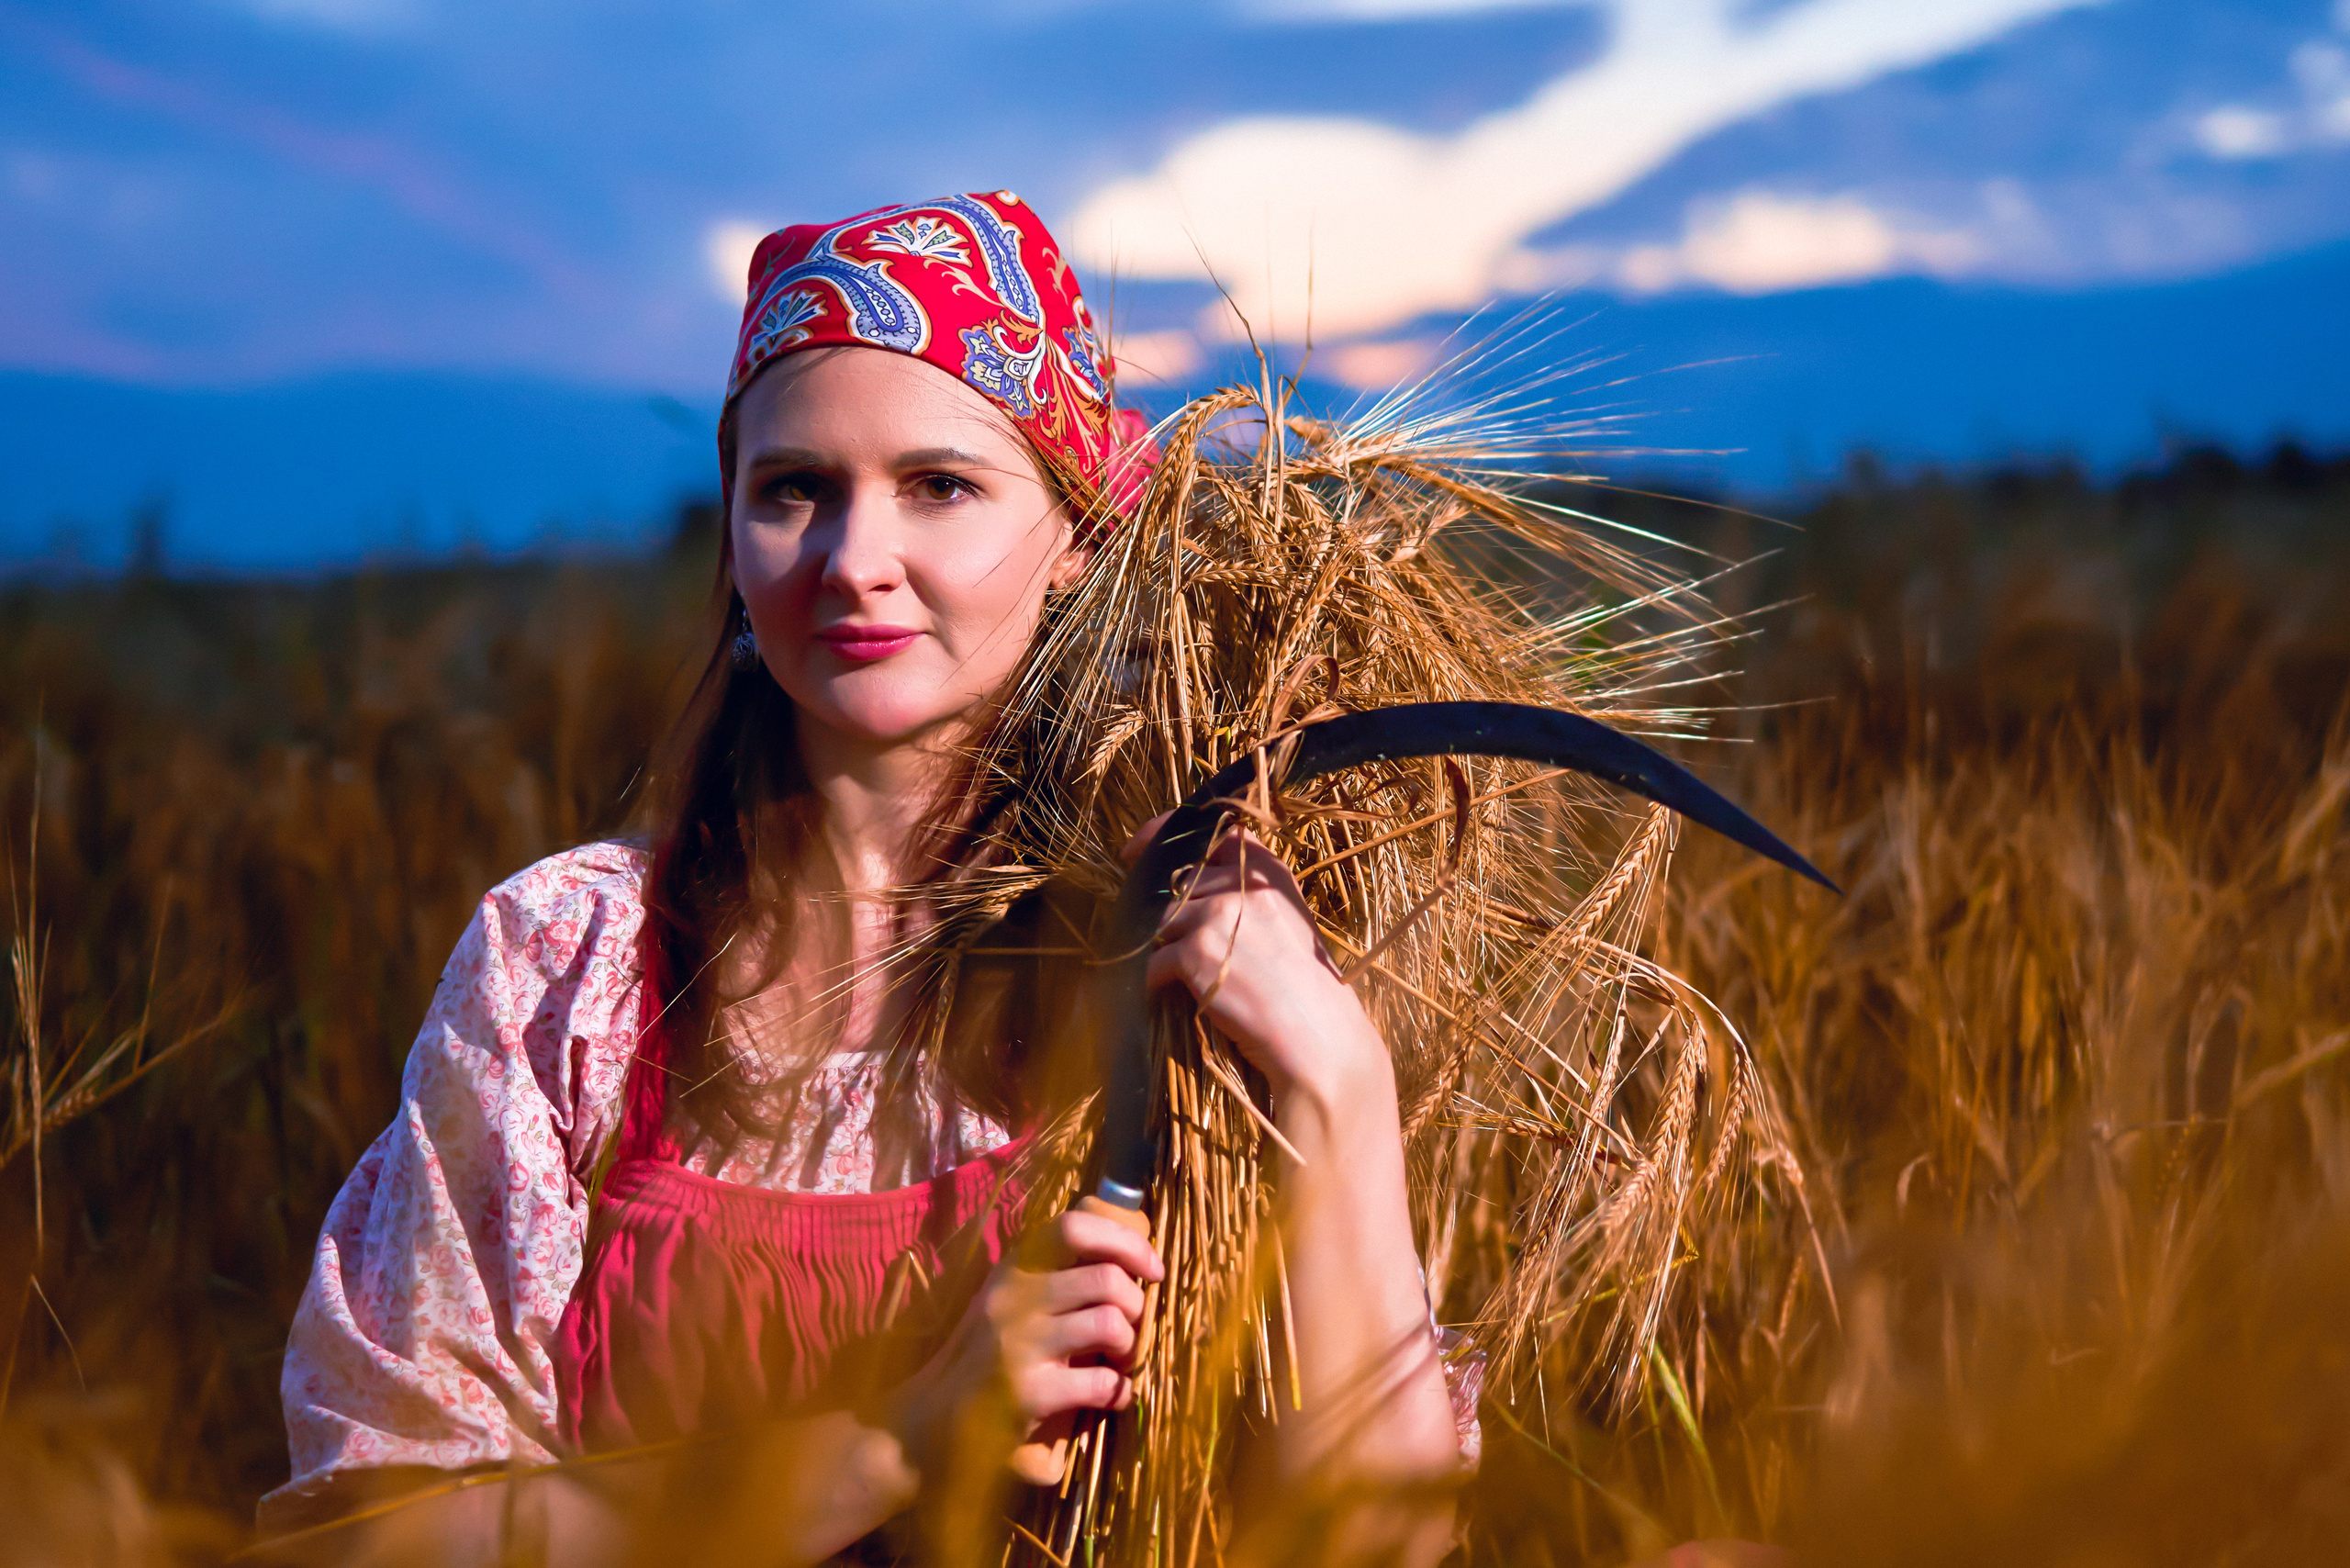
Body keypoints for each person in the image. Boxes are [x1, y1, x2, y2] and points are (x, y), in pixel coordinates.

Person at [266, 191, 1472, 1565]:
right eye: (794, 491)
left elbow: (1378, 1546)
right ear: (730, 536)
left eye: (940, 486)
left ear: (1079, 534)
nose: (854, 562)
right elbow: (385, 1539)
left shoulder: (1183, 961)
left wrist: (1337, 1075)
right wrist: (895, 1444)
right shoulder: (571, 963)